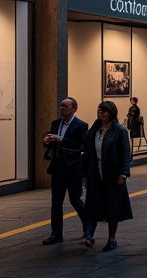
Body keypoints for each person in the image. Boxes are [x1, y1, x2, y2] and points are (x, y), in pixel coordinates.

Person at [82, 100, 132, 251]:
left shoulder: (119, 130)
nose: (101, 112)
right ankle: (89, 235)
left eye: (104, 110)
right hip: (95, 173)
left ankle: (112, 239)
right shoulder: (94, 130)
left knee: (112, 207)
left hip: (112, 175)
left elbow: (125, 154)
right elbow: (87, 154)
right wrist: (84, 175)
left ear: (111, 113)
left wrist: (123, 174)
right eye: (99, 110)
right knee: (92, 205)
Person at [41, 96, 89, 245]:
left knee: (75, 199)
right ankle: (56, 233)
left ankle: (87, 226)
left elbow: (81, 145)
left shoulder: (81, 125)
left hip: (73, 167)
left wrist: (62, 140)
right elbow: (51, 143)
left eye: (66, 107)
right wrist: (47, 141)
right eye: (61, 106)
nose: (62, 109)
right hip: (58, 167)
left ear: (74, 109)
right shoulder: (56, 124)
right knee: (56, 202)